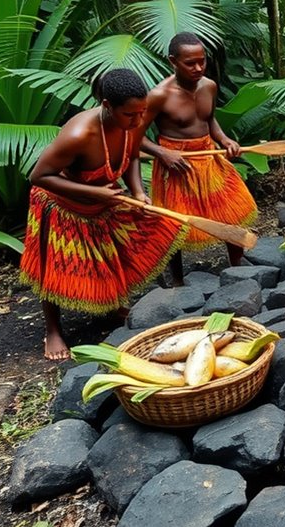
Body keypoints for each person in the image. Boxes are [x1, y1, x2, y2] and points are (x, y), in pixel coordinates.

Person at [20, 69, 188, 360]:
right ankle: (53, 330)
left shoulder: (130, 122)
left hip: (102, 198)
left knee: (124, 245)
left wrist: (137, 191)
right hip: (60, 203)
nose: (138, 121)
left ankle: (111, 306)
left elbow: (132, 154)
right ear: (108, 106)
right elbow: (39, 176)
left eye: (142, 112)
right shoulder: (79, 134)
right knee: (55, 269)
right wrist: (96, 192)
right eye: (130, 114)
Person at [141, 32, 258, 286]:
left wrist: (224, 140)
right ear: (173, 61)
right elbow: (133, 135)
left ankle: (237, 268)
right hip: (177, 163)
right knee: (176, 222)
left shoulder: (209, 86)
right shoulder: (159, 95)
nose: (198, 68)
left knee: (232, 209)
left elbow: (209, 119)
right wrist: (162, 152)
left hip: (209, 156)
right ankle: (177, 281)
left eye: (201, 61)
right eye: (190, 63)